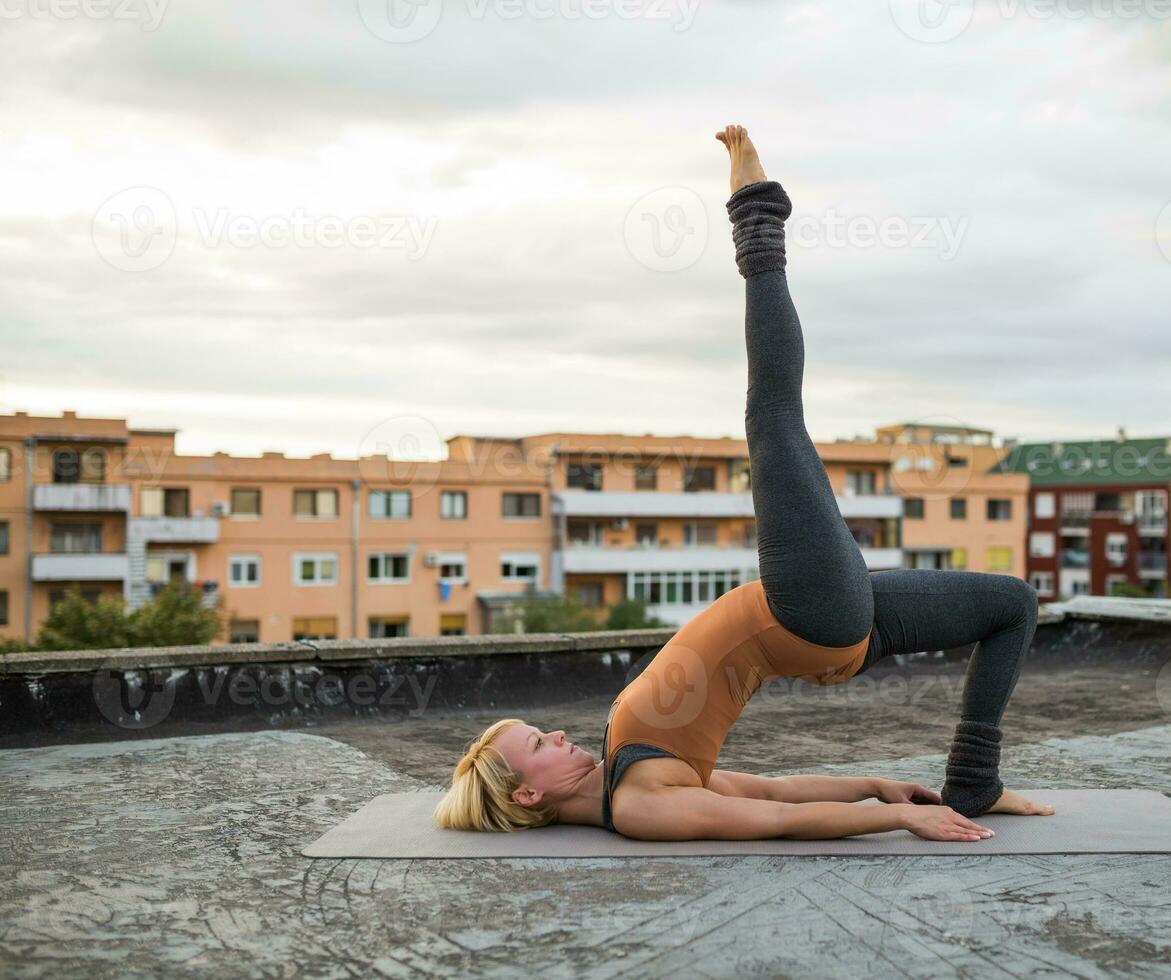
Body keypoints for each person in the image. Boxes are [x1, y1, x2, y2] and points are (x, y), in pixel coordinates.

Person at [434, 125, 1054, 842]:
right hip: (807, 610)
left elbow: (763, 787)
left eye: (542, 732)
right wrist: (895, 822)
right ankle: (757, 217)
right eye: (539, 746)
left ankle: (975, 780)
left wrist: (874, 787)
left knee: (1012, 605)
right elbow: (765, 819)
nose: (558, 736)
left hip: (831, 623)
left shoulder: (626, 772)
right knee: (774, 417)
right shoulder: (639, 806)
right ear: (530, 796)